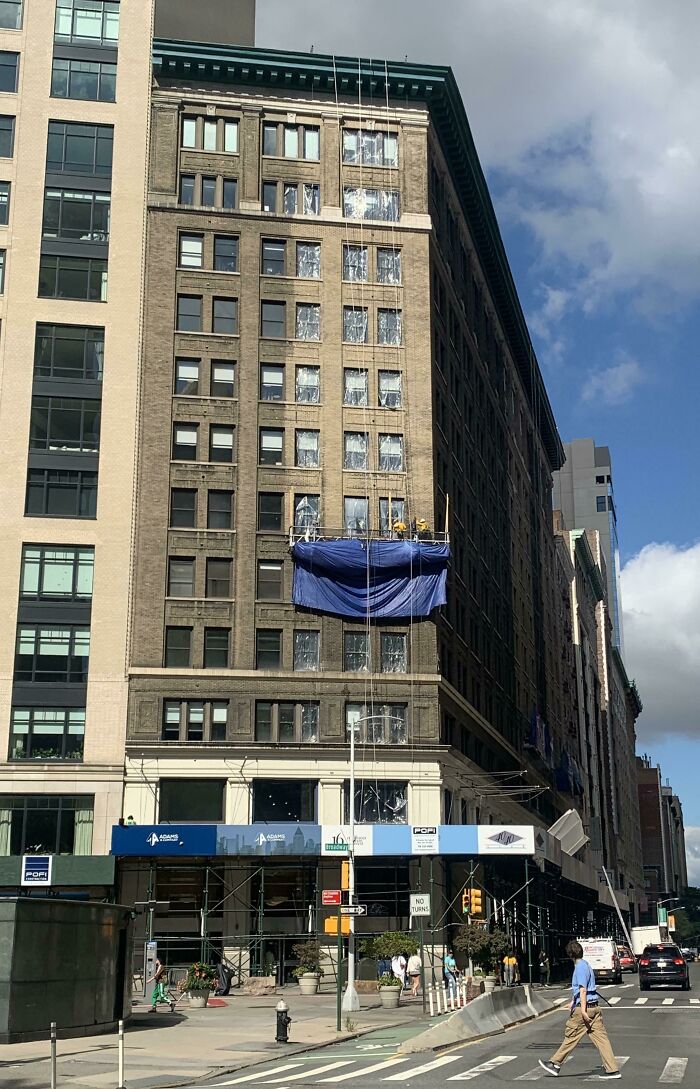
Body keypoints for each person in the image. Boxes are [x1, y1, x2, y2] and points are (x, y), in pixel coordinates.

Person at [539, 939, 621, 1080]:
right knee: (602, 1040)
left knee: (571, 1037)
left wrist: (582, 1010)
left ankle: (555, 1063)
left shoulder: (579, 968)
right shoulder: (586, 965)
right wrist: (572, 1002)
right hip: (594, 1007)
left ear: (570, 955)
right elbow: (585, 990)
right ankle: (613, 1070)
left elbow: (583, 990)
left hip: (585, 1009)